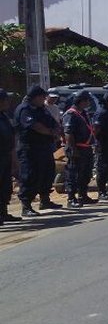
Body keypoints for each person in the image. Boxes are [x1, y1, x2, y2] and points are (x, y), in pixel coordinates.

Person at [16, 86, 62, 216]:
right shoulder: (25, 109)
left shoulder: (41, 109)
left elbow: (53, 122)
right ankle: (26, 206)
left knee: (47, 172)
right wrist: (51, 132)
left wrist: (56, 130)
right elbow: (35, 126)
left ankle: (45, 200)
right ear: (35, 97)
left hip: (45, 146)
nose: (44, 99)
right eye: (42, 97)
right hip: (30, 148)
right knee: (30, 175)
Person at [62, 90, 97, 208]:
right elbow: (68, 133)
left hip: (86, 148)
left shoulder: (83, 113)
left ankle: (83, 195)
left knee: (86, 173)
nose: (88, 102)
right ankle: (71, 198)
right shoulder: (71, 114)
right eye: (87, 100)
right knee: (73, 173)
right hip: (76, 148)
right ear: (81, 101)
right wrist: (73, 149)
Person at [0, 89, 17, 223]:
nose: (8, 102)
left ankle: (3, 213)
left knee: (6, 186)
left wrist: (13, 159)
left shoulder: (4, 116)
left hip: (5, 156)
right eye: (6, 100)